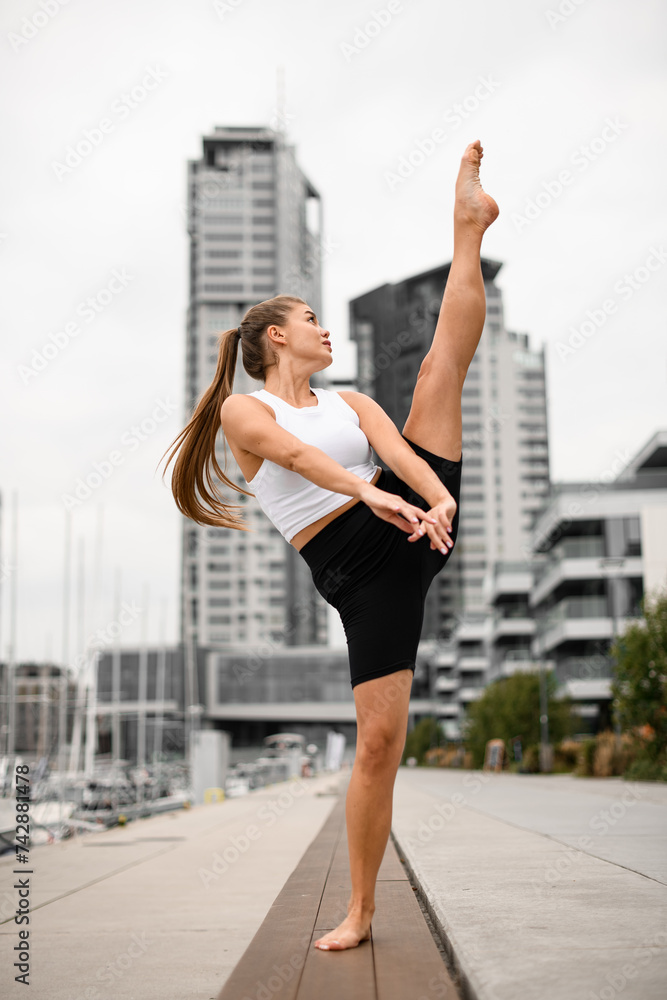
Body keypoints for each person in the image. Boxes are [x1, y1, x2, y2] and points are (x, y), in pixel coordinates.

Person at [161, 139, 498, 951]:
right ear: (276, 339)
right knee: (379, 744)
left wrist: (434, 490)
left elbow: (401, 446)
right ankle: (361, 910)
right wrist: (371, 491)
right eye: (309, 319)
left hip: (412, 520)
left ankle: (467, 228)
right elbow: (301, 461)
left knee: (435, 375)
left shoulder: (347, 398)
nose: (323, 327)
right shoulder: (248, 413)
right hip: (357, 567)